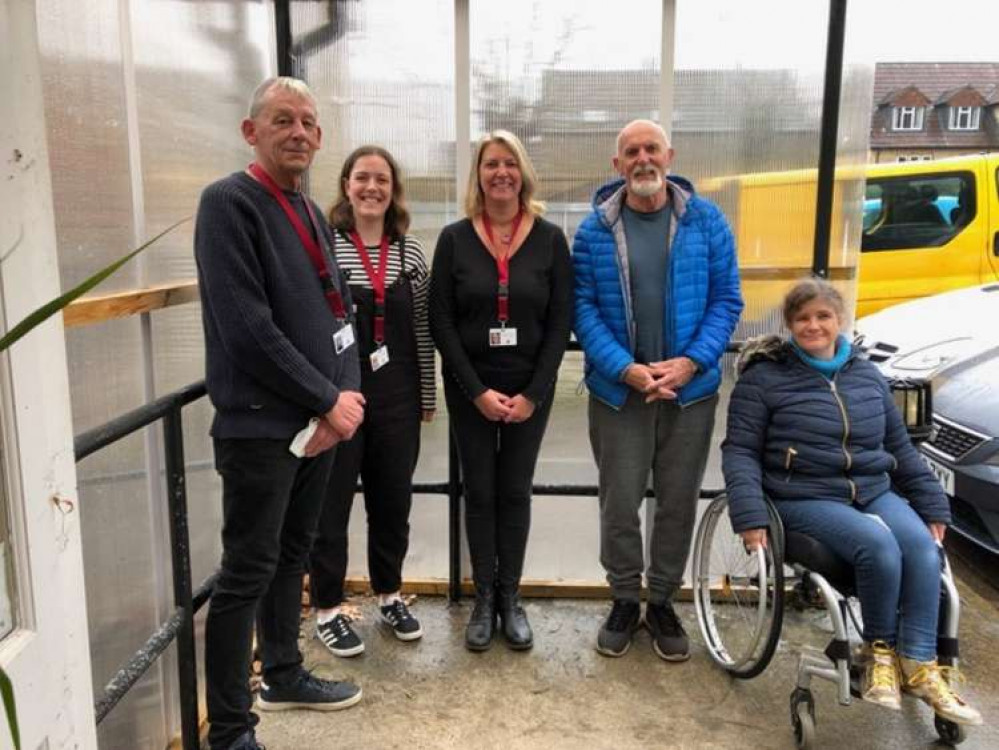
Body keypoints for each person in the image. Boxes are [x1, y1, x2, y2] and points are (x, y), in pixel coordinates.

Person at [722, 277, 982, 726]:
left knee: (921, 546)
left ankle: (919, 664)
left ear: (839, 320)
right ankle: (878, 653)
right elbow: (740, 450)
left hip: (872, 489)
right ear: (789, 325)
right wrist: (748, 513)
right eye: (802, 318)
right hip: (801, 493)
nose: (813, 326)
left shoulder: (867, 375)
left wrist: (932, 503)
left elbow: (899, 448)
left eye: (823, 316)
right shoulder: (764, 379)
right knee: (876, 546)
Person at [195, 77, 364, 750]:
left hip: (316, 429)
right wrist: (326, 400)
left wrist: (342, 404)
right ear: (251, 131)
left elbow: (339, 313)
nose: (297, 132)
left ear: (319, 138)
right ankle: (231, 731)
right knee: (246, 572)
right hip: (261, 427)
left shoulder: (312, 212)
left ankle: (285, 673)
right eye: (281, 120)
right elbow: (247, 328)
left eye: (308, 123)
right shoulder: (229, 205)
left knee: (292, 555)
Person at [573, 119, 743, 661]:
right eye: (631, 151)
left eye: (651, 149)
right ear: (616, 164)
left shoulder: (707, 221)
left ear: (670, 154)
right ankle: (625, 597)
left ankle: (663, 600)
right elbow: (584, 309)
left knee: (677, 501)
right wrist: (625, 368)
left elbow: (727, 301)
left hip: (689, 393)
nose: (642, 158)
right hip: (620, 392)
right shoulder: (594, 230)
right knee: (619, 502)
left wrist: (691, 363)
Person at [430, 130, 572, 651]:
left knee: (514, 491)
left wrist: (534, 393)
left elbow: (561, 323)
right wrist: (475, 392)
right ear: (479, 175)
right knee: (479, 491)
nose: (501, 173)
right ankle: (483, 599)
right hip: (471, 388)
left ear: (523, 173)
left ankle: (511, 598)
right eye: (491, 164)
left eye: (509, 163)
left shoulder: (552, 239)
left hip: (531, 389)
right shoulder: (454, 238)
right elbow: (440, 320)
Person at [308, 146, 435, 657]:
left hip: (398, 397)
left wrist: (427, 394)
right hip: (340, 398)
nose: (372, 188)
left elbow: (423, 328)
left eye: (382, 179)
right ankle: (328, 608)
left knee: (392, 502)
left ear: (393, 189)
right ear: (345, 185)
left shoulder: (412, 254)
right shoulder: (326, 248)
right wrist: (318, 400)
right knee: (330, 505)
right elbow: (314, 328)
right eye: (362, 178)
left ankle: (389, 594)